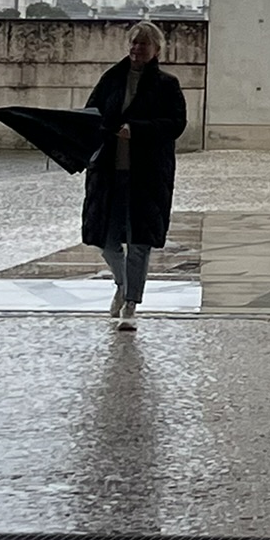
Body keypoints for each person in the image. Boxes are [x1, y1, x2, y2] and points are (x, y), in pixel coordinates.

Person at [82, 21, 188, 331]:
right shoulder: (111, 79)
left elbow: (175, 124)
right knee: (106, 238)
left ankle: (131, 303)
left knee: (140, 240)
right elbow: (92, 114)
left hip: (147, 174)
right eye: (133, 43)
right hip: (109, 172)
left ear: (156, 50)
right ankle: (122, 283)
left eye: (143, 44)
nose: (137, 49)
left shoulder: (167, 84)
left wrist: (138, 130)